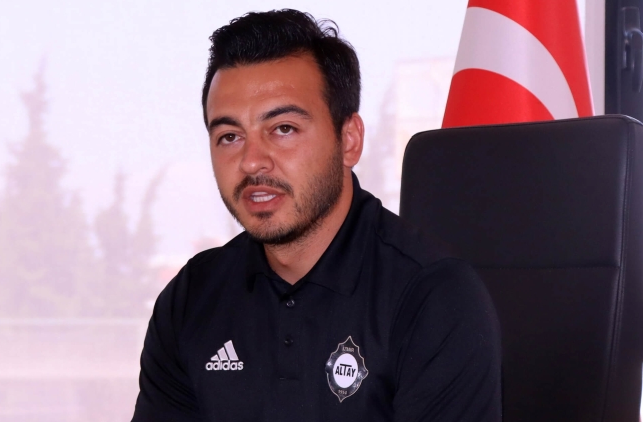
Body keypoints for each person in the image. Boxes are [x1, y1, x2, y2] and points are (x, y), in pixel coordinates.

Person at [132, 9, 501, 422]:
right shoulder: (191, 299)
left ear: (349, 140)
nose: (252, 161)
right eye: (230, 136)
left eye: (283, 129)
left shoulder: (432, 296)